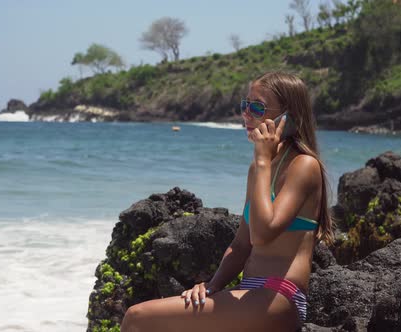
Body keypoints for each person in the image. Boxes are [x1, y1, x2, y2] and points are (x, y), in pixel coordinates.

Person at [121, 71, 334, 332]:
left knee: (137, 318)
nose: (246, 114)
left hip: (279, 297)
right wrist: (212, 286)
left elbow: (263, 234)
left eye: (257, 107)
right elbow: (241, 243)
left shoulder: (304, 166)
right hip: (248, 294)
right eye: (245, 105)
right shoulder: (259, 169)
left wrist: (263, 160)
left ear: (287, 116)